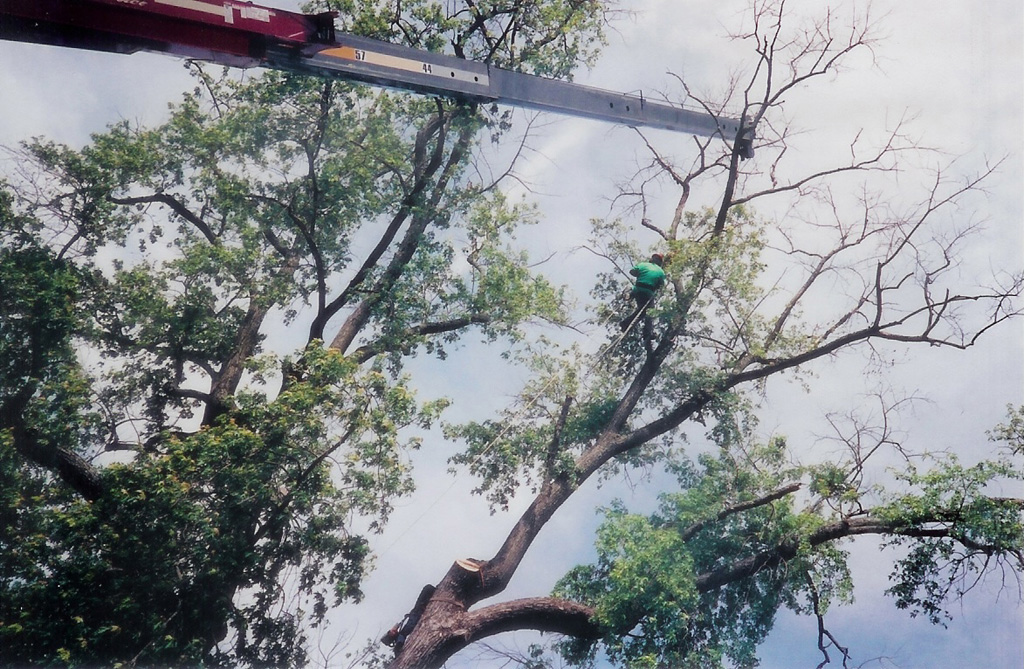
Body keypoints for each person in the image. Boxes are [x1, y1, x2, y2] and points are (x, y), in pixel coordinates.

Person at [620, 253, 666, 331]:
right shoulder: (661, 272)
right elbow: (660, 286)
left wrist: (641, 274)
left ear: (652, 259)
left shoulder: (643, 265)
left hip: (637, 288)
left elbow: (632, 272)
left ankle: (629, 294)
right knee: (649, 312)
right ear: (660, 262)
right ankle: (647, 332)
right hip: (648, 292)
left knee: (641, 310)